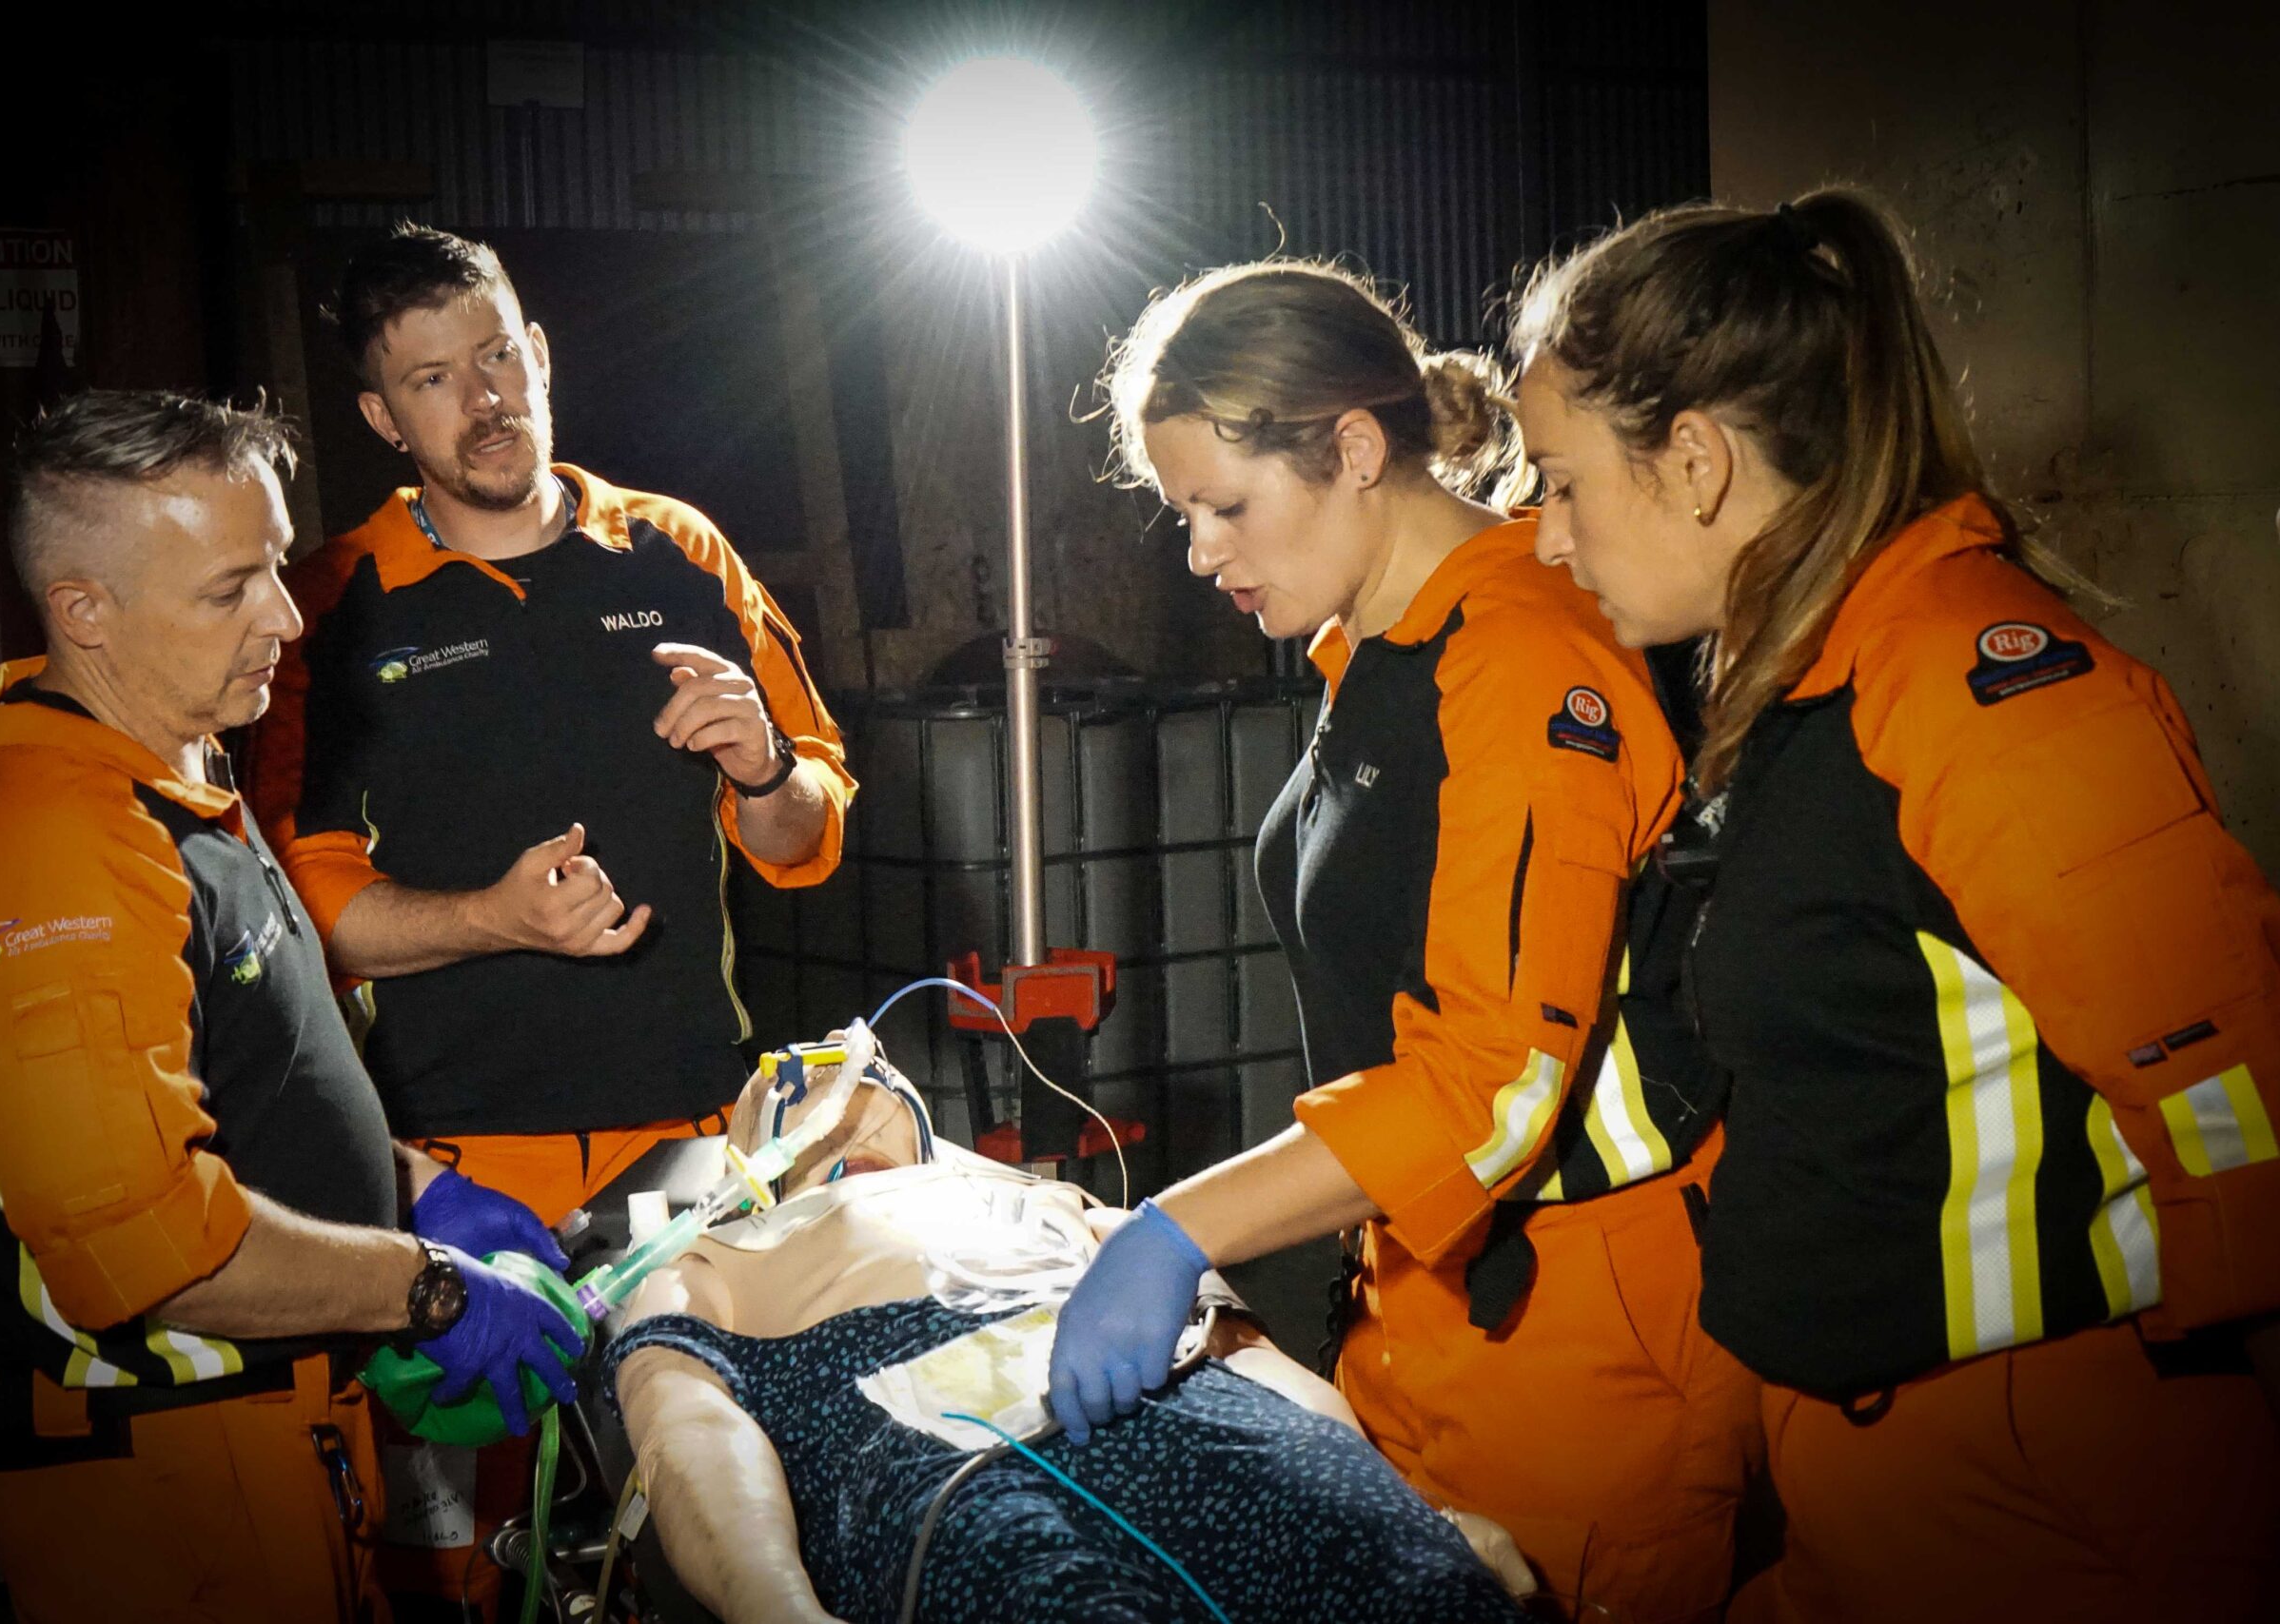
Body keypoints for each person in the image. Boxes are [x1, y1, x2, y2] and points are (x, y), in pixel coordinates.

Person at [1510, 187, 2280, 1622]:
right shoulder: (1814, 675)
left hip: (2033, 1473)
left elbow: (2235, 1091)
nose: (1548, 537)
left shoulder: (1981, 692)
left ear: (1694, 462)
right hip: (1870, 1458)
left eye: (1560, 481)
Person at [1044, 262, 1758, 1621]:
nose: (1199, 553)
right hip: (1428, 1291)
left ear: (1357, 450)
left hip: (1578, 1335)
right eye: (1184, 513)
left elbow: (1493, 1085)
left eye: (1225, 506)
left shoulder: (1523, 659)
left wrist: (1179, 1227)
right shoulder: (1378, 645)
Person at [0, 390, 589, 1624]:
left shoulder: (173, 770)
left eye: (274, 564)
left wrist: (414, 1187)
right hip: (170, 1479)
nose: (284, 615)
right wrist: (427, 1285)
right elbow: (153, 1254)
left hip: (264, 1435)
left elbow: (248, 1087)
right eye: (231, 589)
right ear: (84, 610)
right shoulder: (56, 850)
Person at [250, 222, 855, 1223]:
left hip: (697, 1135)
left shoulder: (683, 553)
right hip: (449, 1163)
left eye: (495, 356)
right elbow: (301, 900)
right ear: (383, 416)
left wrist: (765, 771)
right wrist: (495, 918)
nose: (483, 400)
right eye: (433, 379)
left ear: (537, 353)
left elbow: (807, 836)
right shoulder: (327, 605)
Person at [601, 1047, 1536, 1624]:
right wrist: (773, 1600)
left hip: (1189, 1399)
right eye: (791, 1080)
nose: (837, 1078)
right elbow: (687, 1425)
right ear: (744, 1165)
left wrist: (1409, 1507)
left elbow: (1244, 1353)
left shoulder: (1062, 1206)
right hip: (945, 1462)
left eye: (868, 1076)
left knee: (1410, 1584)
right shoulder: (715, 1255)